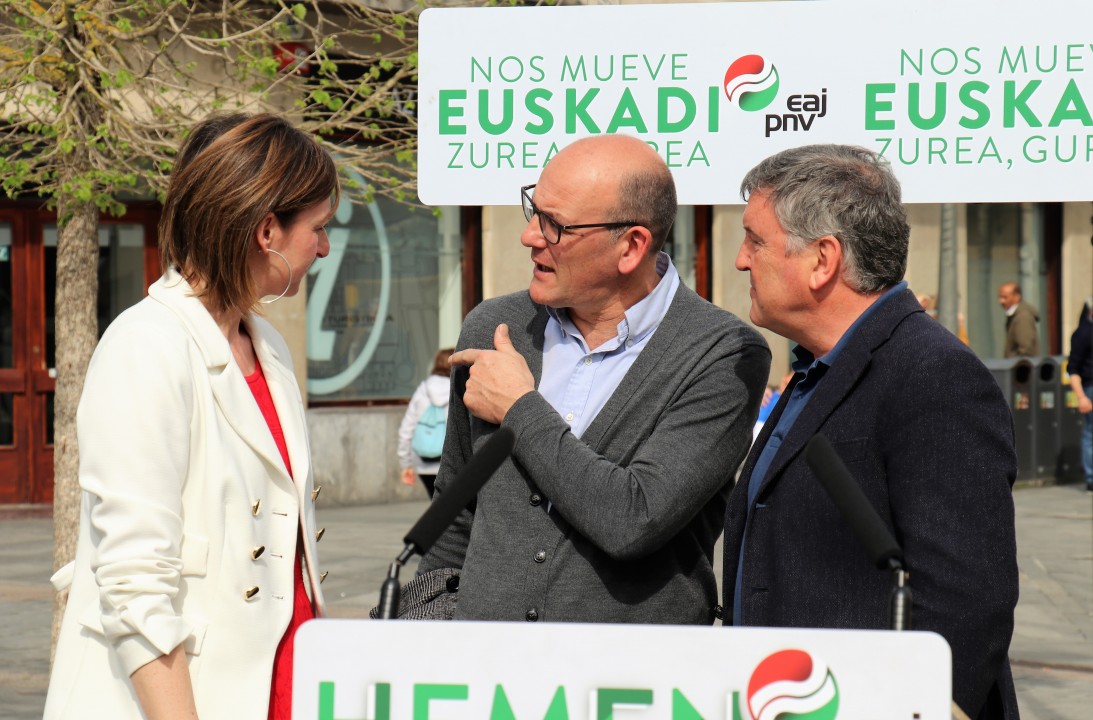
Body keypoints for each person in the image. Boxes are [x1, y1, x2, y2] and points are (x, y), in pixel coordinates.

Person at [45, 113, 338, 720]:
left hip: (278, 683)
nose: (324, 247)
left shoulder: (267, 344)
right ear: (266, 231)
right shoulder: (146, 345)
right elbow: (135, 583)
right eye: (318, 227)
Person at [415, 134, 770, 624]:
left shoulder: (723, 354)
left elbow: (635, 520)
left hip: (630, 668)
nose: (530, 236)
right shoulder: (496, 328)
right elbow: (455, 511)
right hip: (485, 661)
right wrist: (429, 625)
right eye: (534, 210)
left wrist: (519, 408)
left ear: (631, 246)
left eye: (555, 225)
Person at [723, 144, 1019, 720]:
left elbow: (965, 600)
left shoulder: (934, 375)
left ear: (822, 259)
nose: (740, 260)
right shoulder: (816, 368)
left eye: (755, 241)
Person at [397, 348, 455, 497]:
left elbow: (406, 429)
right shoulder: (459, 390)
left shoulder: (423, 390)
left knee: (436, 502)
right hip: (451, 463)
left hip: (423, 463)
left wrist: (405, 463)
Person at [1067, 299, 1093, 493]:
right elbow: (1073, 368)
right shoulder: (1083, 333)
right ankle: (1091, 477)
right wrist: (1081, 396)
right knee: (1090, 433)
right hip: (1090, 387)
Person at [999, 281, 1040, 357]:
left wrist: (1012, 361)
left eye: (1005, 297)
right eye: (1000, 297)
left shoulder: (1023, 317)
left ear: (1017, 297)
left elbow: (1027, 350)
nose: (1001, 301)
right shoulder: (1014, 316)